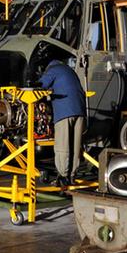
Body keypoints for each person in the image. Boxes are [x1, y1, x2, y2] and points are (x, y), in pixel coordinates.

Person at [39, 59, 86, 187]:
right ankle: (72, 176)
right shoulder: (69, 70)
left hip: (65, 112)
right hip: (80, 111)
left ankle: (62, 176)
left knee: (62, 145)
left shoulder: (53, 70)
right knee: (75, 145)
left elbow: (40, 86)